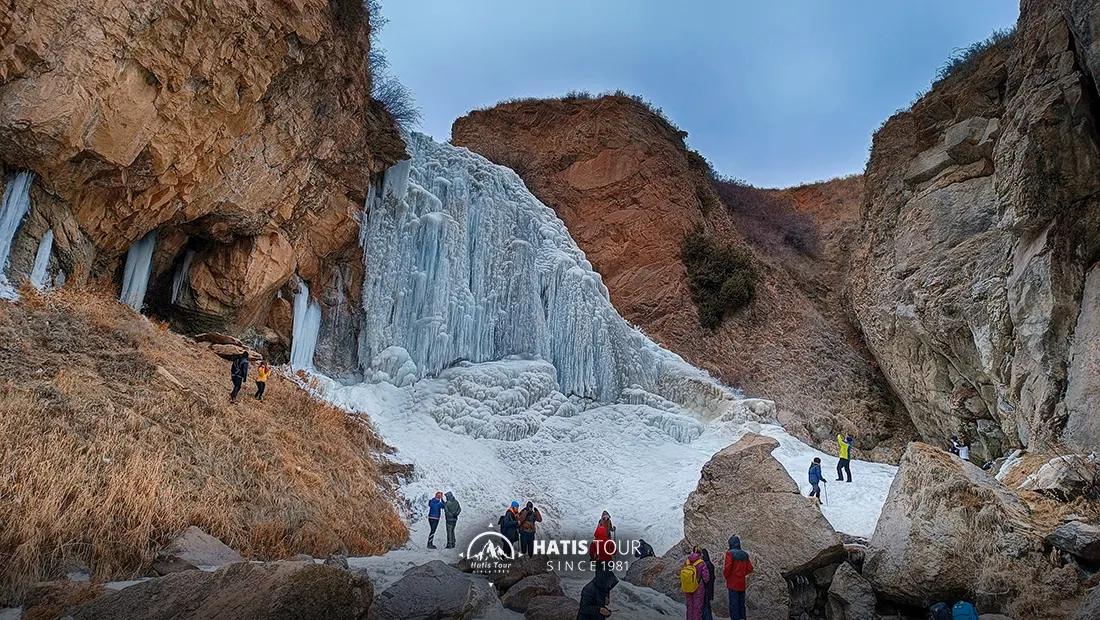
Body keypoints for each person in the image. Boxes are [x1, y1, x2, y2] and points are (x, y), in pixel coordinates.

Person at [722, 536, 754, 620]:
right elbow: (750, 569)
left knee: (734, 604)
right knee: (741, 603)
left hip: (732, 583)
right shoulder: (745, 554)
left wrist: (726, 575)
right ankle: (743, 618)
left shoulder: (730, 553)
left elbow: (727, 568)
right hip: (741, 583)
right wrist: (742, 573)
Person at [681, 546, 710, 620]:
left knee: (689, 607)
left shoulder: (687, 561)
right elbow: (706, 578)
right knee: (697, 608)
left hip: (687, 585)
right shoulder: (701, 563)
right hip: (698, 587)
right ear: (700, 554)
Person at [701, 548, 716, 620]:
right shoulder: (711, 564)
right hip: (710, 588)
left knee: (705, 606)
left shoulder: (704, 565)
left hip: (705, 588)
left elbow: (705, 578)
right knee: (707, 605)